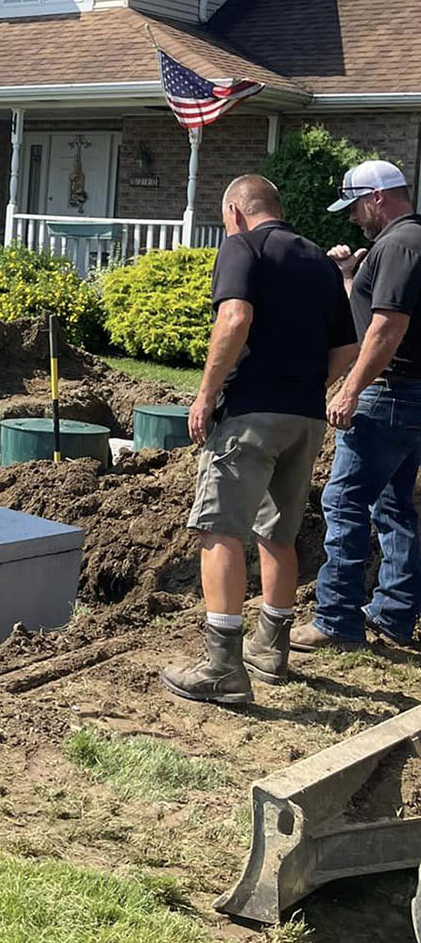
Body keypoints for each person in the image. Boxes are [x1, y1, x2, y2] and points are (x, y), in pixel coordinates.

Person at [159, 175, 356, 707]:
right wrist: (313, 386)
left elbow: (235, 317)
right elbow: (348, 345)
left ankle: (222, 666)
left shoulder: (242, 247)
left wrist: (205, 393)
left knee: (218, 528)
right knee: (279, 533)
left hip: (250, 413)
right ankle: (271, 649)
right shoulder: (318, 259)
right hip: (306, 417)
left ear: (235, 212)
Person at [293, 160, 421, 652]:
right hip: (408, 396)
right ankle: (393, 614)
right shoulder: (406, 243)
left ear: (378, 198)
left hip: (388, 393)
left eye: (356, 206)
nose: (352, 218)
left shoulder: (400, 244)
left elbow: (388, 328)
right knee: (395, 507)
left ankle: (336, 619)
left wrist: (349, 390)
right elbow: (371, 317)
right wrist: (351, 277)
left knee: (344, 501)